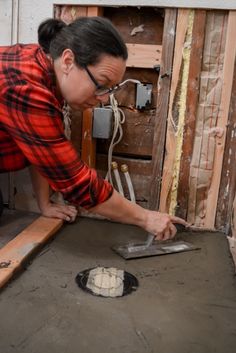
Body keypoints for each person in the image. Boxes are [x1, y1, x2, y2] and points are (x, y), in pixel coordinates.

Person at [0, 16, 187, 240]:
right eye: (101, 84)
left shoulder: (46, 65)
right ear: (68, 61)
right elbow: (77, 184)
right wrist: (146, 218)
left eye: (111, 89)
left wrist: (44, 204)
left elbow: (42, 150)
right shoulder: (25, 87)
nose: (105, 99)